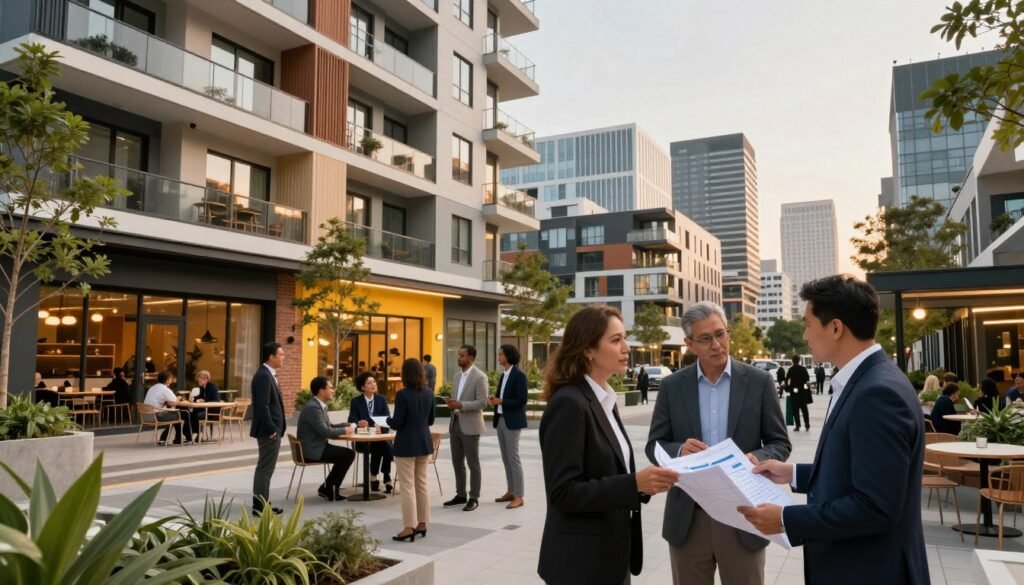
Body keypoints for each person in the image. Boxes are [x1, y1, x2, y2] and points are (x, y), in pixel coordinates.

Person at [739, 275, 929, 585]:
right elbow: (865, 469)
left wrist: (786, 519)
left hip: (868, 571)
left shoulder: (876, 393)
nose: (805, 335)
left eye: (809, 324)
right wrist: (793, 473)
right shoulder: (869, 380)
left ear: (836, 328)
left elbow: (876, 506)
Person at [646, 301, 791, 585]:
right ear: (689, 344)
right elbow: (654, 445)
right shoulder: (673, 386)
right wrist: (678, 450)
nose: (716, 344)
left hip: (743, 517)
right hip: (689, 519)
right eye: (705, 338)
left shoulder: (759, 382)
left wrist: (756, 458)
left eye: (721, 334)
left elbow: (779, 442)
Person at [539, 305, 679, 585]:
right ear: (588, 349)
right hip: (581, 563)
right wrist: (634, 484)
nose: (626, 347)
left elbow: (608, 473)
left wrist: (646, 483)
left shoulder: (603, 400)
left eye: (624, 338)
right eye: (615, 340)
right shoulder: (569, 403)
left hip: (610, 556)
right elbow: (563, 493)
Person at [387, 358, 435, 542]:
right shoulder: (429, 393)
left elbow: (397, 423)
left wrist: (387, 421)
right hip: (424, 442)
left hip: (406, 444)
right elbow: (430, 420)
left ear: (404, 374)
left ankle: (408, 527)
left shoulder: (402, 395)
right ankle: (422, 523)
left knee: (407, 487)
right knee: (421, 484)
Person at [443, 344, 489, 512]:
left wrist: (461, 404)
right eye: (458, 355)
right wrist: (452, 403)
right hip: (455, 423)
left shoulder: (480, 377)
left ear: (471, 358)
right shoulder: (456, 376)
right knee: (457, 462)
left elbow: (483, 402)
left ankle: (474, 497)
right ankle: (460, 494)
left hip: (471, 425)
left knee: (473, 463)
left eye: (462, 355)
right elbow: (458, 399)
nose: (459, 358)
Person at [298, 376, 356, 502]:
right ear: (321, 391)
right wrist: (346, 430)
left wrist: (347, 425)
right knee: (348, 454)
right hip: (312, 450)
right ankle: (328, 488)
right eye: (330, 387)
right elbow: (326, 432)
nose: (333, 390)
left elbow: (329, 427)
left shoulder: (319, 405)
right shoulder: (313, 408)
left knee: (347, 454)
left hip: (318, 446)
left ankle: (328, 487)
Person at [488, 344, 527, 509]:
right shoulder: (504, 375)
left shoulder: (518, 375)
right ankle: (511, 491)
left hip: (512, 421)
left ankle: (519, 496)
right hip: (501, 419)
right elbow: (502, 397)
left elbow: (521, 400)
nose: (498, 356)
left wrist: (502, 401)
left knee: (513, 458)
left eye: (501, 354)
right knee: (506, 458)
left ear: (508, 356)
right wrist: (495, 399)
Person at [251, 341, 286, 516]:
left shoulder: (269, 374)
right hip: (268, 431)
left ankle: (262, 503)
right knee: (265, 469)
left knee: (266, 469)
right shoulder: (264, 375)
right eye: (280, 354)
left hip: (272, 429)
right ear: (271, 357)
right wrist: (271, 429)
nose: (283, 357)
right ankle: (259, 507)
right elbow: (262, 406)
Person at [348, 372, 394, 493]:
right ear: (363, 387)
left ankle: (375, 476)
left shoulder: (381, 399)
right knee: (384, 446)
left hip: (379, 437)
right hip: (363, 439)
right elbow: (351, 420)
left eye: (374, 381)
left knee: (381, 444)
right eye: (369, 382)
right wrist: (359, 422)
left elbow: (388, 419)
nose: (373, 384)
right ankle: (386, 475)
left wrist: (380, 426)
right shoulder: (356, 401)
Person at [143, 371, 192, 445]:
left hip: (147, 416)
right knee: (185, 412)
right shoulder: (165, 389)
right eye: (171, 378)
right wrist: (180, 398)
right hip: (157, 416)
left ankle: (172, 438)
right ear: (167, 379)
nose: (171, 380)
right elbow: (175, 402)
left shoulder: (152, 388)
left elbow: (168, 402)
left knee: (176, 414)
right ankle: (188, 438)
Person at [188, 370, 221, 442]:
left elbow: (215, 400)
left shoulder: (212, 387)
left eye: (199, 379)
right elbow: (198, 397)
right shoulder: (202, 387)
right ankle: (196, 433)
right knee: (191, 413)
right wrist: (193, 398)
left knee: (196, 414)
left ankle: (198, 434)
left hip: (213, 411)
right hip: (205, 409)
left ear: (205, 379)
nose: (198, 380)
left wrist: (204, 400)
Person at [786, 354, 812, 431]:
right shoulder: (803, 369)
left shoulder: (791, 369)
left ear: (792, 361)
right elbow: (807, 379)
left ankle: (798, 425)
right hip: (803, 393)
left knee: (795, 410)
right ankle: (807, 424)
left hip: (794, 393)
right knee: (804, 410)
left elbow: (787, 379)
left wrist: (788, 388)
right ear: (799, 360)